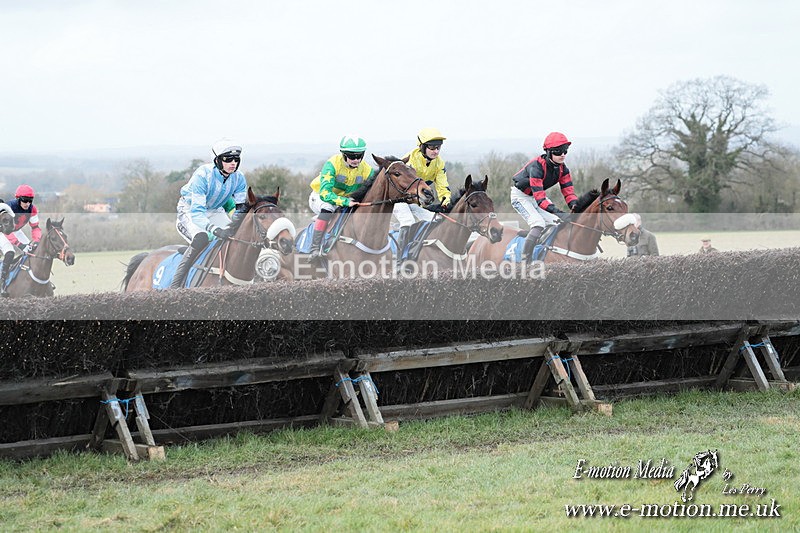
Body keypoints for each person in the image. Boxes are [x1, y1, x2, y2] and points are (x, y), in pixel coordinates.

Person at [172, 138, 248, 288]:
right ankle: (175, 286)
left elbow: (240, 210)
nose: (233, 163)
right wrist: (214, 230)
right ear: (218, 161)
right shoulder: (202, 175)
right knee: (202, 238)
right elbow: (197, 213)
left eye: (236, 159)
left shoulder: (239, 178)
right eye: (228, 159)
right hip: (190, 210)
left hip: (215, 210)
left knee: (236, 237)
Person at [511, 132, 578, 262]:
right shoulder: (536, 167)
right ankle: (525, 261)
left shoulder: (563, 170)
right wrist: (559, 212)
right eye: (558, 152)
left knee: (556, 223)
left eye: (565, 151)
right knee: (538, 223)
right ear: (549, 152)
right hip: (521, 197)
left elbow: (569, 193)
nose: (563, 154)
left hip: (536, 195)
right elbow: (540, 200)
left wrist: (576, 207)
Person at [307, 135, 375, 261]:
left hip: (345, 200)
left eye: (359, 156)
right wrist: (345, 201)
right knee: (328, 208)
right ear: (343, 154)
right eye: (352, 156)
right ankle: (314, 248)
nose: (356, 160)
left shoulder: (366, 169)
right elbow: (325, 194)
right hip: (320, 197)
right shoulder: (332, 164)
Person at [393, 127, 451, 270]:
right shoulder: (410, 160)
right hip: (399, 198)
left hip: (415, 202)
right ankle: (399, 263)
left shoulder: (439, 163)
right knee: (408, 221)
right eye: (432, 147)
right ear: (422, 147)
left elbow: (443, 187)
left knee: (436, 219)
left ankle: (415, 251)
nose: (436, 151)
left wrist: (446, 201)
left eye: (438, 147)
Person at [0, 185, 43, 297]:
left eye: (30, 200)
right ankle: (2, 283)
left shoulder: (32, 209)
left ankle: (36, 280)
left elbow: (35, 227)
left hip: (16, 231)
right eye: (25, 200)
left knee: (32, 250)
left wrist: (36, 240)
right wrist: (20, 244)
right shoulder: (9, 207)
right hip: (2, 231)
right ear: (18, 199)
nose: (27, 203)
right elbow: (6, 231)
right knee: (10, 252)